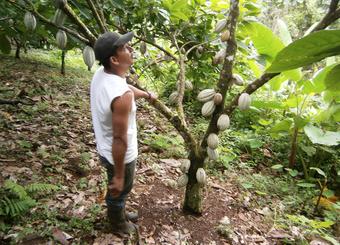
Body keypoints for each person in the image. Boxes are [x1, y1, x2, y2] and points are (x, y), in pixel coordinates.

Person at [90, 31, 156, 235]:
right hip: (120, 155)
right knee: (120, 188)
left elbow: (124, 85)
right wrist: (119, 175)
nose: (132, 49)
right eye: (125, 48)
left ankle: (120, 212)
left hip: (104, 148)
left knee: (120, 190)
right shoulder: (123, 97)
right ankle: (117, 223)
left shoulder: (103, 73)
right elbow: (119, 139)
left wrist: (145, 94)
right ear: (114, 59)